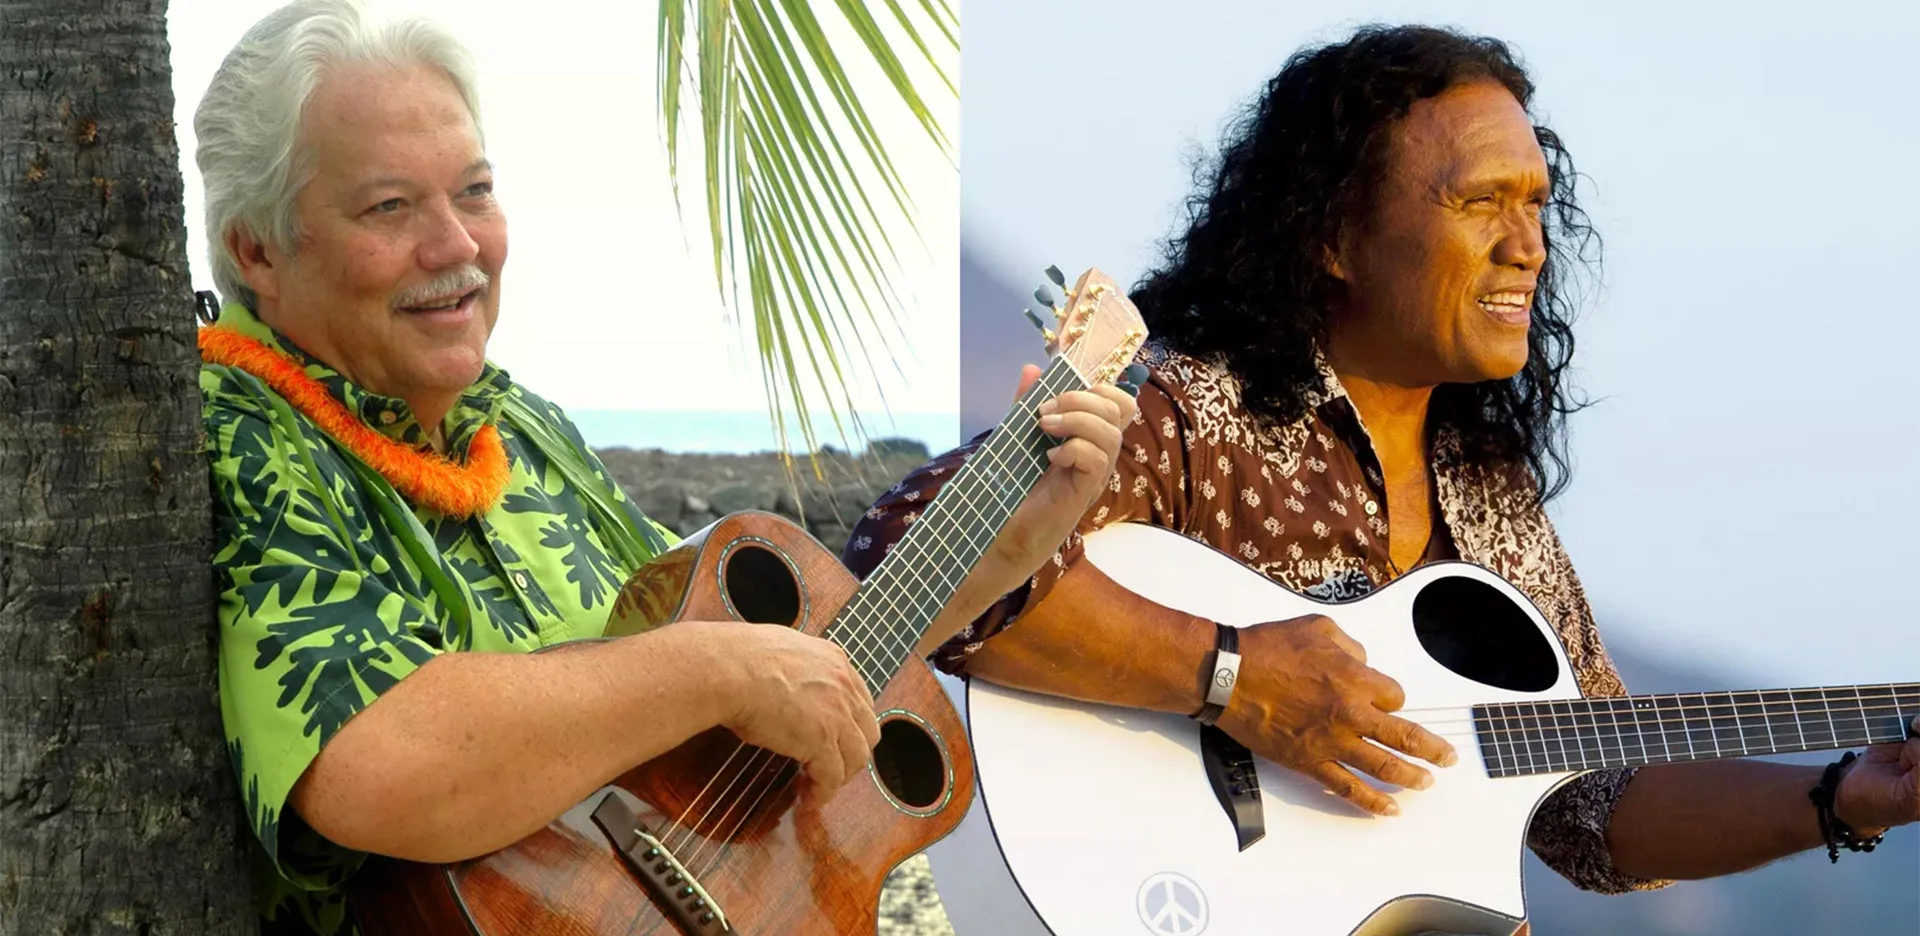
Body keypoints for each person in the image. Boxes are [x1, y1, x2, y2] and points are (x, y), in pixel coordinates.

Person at [846, 23, 1919, 933]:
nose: (1528, 246)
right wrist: (1230, 677)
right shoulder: (1202, 417)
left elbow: (1596, 809)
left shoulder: (1489, 497)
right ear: (1335, 239)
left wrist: (1841, 797)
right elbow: (904, 552)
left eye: (1537, 204)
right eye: (1481, 202)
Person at [192, 2, 1137, 933]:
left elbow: (803, 673)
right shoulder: (238, 431)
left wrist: (1013, 541)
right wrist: (718, 671)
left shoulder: (520, 426)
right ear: (257, 249)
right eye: (390, 207)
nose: (458, 247)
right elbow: (383, 769)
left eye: (474, 191)